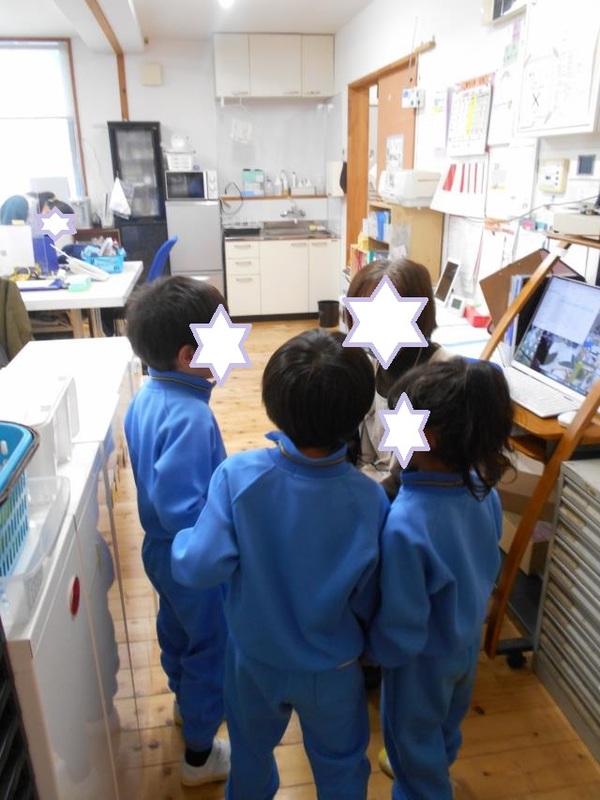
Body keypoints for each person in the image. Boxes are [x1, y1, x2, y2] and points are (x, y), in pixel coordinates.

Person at [172, 328, 389, 800]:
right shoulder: (369, 499)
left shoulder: (237, 478)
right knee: (342, 765)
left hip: (255, 660)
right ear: (356, 414)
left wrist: (181, 541)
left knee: (249, 755)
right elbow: (371, 596)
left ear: (273, 403)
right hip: (333, 667)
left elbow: (198, 566)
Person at [368, 357, 514, 800]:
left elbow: (402, 621)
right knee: (446, 725)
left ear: (426, 437)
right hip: (464, 644)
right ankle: (437, 773)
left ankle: (425, 788)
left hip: (420, 663)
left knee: (410, 744)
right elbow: (488, 562)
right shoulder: (483, 490)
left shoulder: (406, 524)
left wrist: (373, 653)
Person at [123, 275, 230, 787]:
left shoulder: (147, 397)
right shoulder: (191, 417)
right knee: (212, 644)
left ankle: (187, 706)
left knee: (177, 630)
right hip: (192, 557)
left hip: (160, 553)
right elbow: (183, 510)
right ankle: (199, 755)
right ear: (189, 356)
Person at [345, 257, 450, 497]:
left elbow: (427, 474)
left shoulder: (443, 379)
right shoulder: (368, 366)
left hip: (412, 497)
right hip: (364, 485)